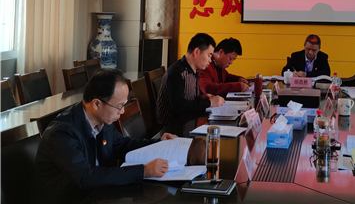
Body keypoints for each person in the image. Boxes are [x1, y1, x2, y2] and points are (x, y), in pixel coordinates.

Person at [34, 70, 177, 204]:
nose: (122, 111)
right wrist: (143, 171)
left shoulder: (102, 119)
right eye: (119, 106)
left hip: (100, 195)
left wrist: (159, 143)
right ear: (96, 104)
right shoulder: (62, 133)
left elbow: (121, 144)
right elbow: (85, 177)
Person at [156, 33, 225, 126]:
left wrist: (202, 97)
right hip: (173, 129)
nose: (210, 60)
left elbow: (188, 99)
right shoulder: (176, 72)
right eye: (209, 55)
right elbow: (179, 107)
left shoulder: (195, 70)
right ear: (196, 51)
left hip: (190, 123)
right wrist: (209, 103)